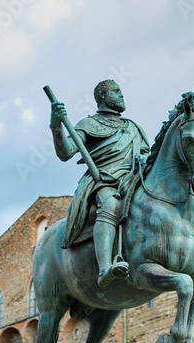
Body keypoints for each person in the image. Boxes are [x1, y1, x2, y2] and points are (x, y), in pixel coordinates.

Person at [49, 80, 150, 289]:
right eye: (116, 91)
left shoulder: (133, 127)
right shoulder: (90, 124)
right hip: (104, 180)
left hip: (134, 178)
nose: (122, 95)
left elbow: (146, 155)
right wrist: (56, 126)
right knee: (111, 204)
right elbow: (66, 151)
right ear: (103, 96)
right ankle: (105, 268)